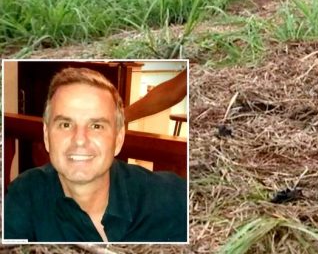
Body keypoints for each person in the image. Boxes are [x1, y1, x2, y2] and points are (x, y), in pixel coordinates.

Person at [4, 67, 187, 243]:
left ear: (118, 139)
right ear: (46, 136)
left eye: (96, 126)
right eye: (65, 124)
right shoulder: (24, 196)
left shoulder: (172, 197)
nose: (80, 140)